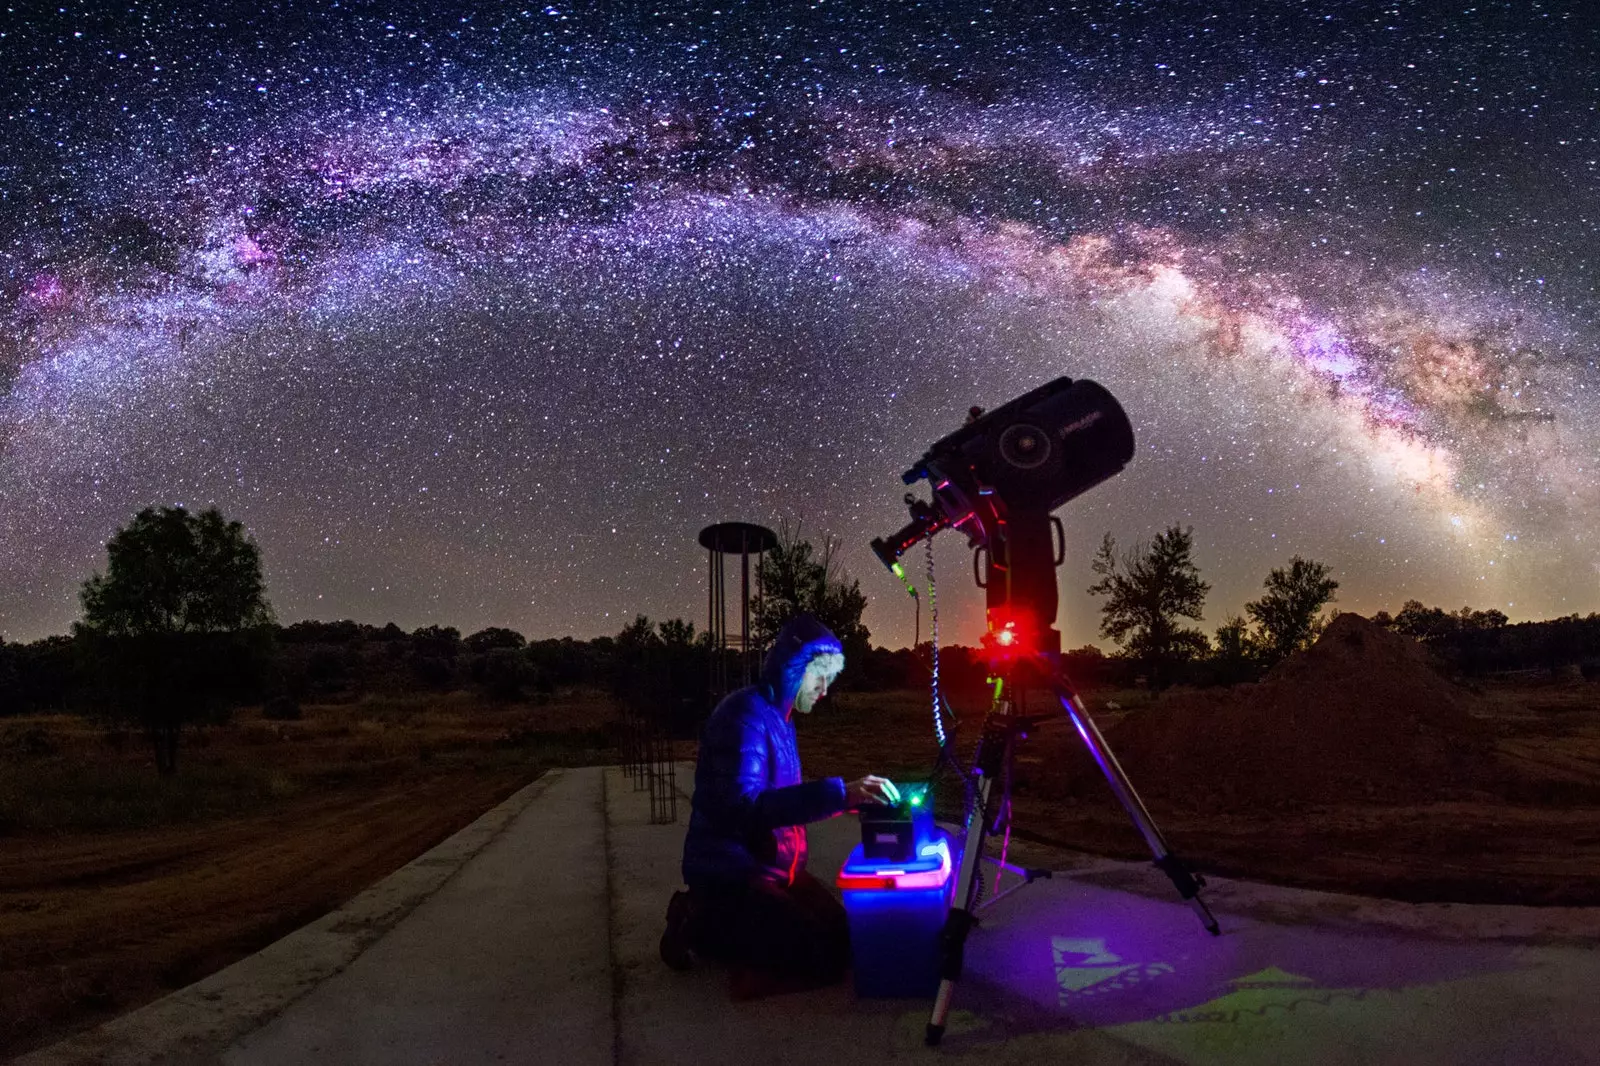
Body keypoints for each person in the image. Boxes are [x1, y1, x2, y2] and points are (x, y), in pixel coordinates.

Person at [659, 613, 899, 987]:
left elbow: (782, 800)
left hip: (773, 869)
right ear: (794, 668)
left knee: (846, 941)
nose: (824, 690)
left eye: (829, 680)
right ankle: (696, 919)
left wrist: (849, 800)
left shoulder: (781, 720)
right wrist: (837, 794)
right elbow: (740, 808)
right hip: (731, 873)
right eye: (820, 677)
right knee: (820, 958)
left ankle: (754, 940)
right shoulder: (743, 716)